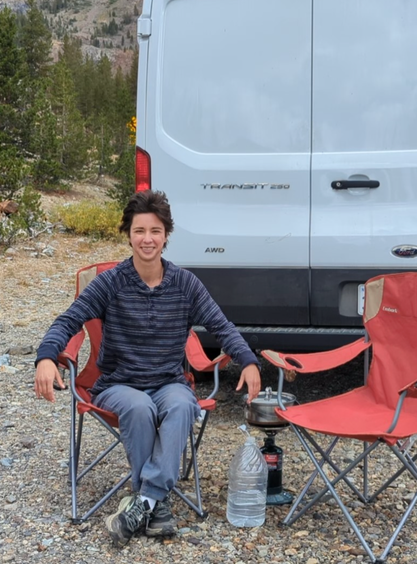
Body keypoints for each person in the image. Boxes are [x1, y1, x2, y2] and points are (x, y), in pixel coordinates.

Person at [34, 190, 261, 546]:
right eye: (139, 231)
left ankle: (144, 501)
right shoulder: (110, 283)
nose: (147, 239)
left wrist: (248, 361)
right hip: (118, 384)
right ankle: (157, 503)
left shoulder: (185, 284)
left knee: (183, 404)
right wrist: (47, 357)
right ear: (128, 235)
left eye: (155, 230)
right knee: (140, 408)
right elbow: (68, 321)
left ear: (166, 235)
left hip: (168, 381)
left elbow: (222, 326)